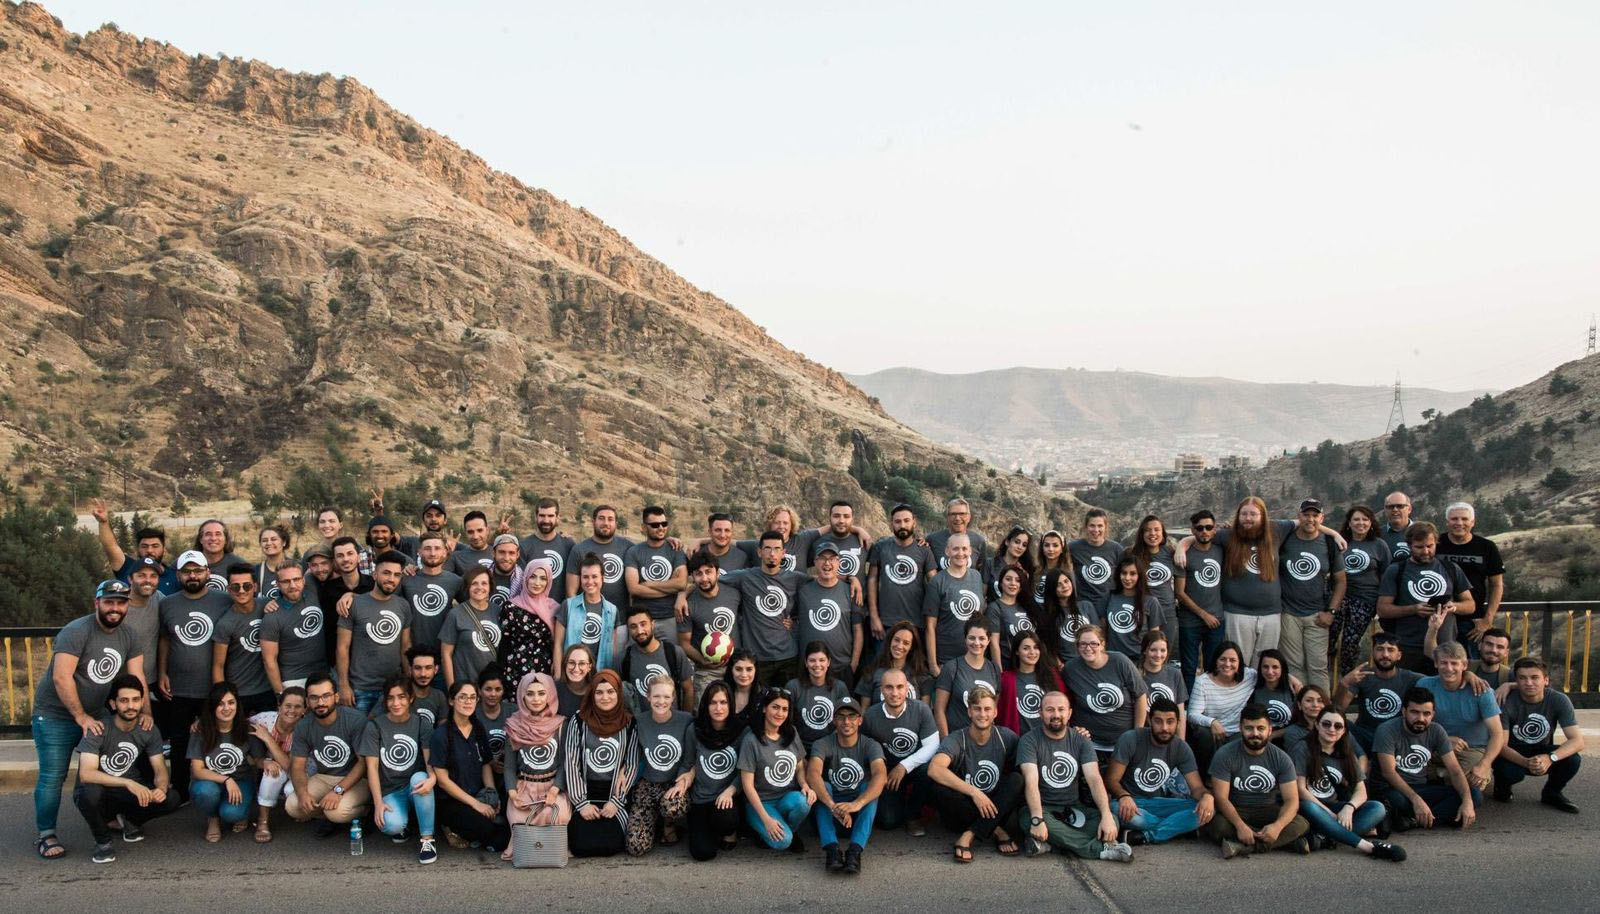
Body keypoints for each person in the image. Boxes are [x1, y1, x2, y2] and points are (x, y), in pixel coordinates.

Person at [33, 579, 149, 860]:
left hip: (95, 713)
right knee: (53, 776)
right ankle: (46, 834)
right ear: (96, 602)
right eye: (109, 602)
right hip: (56, 715)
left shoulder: (129, 635)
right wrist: (80, 716)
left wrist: (145, 712)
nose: (115, 608)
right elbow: (62, 677)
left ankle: (105, 816)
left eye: (121, 603)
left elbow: (137, 678)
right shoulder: (76, 631)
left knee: (105, 770)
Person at [1015, 690, 1133, 862]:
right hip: (1043, 809)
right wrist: (1037, 819)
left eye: (1061, 709)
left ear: (1069, 713)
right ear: (1040, 713)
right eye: (1050, 710)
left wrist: (1106, 815)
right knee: (1029, 821)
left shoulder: (1081, 740)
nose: (1056, 715)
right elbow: (1031, 782)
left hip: (1073, 808)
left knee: (1112, 820)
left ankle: (1050, 844)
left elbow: (1094, 779)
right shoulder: (1029, 741)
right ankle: (1100, 850)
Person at [71, 675, 177, 864]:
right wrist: (128, 783)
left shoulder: (149, 729)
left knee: (171, 798)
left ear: (142, 702)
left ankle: (129, 820)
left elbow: (160, 769)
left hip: (126, 793)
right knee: (88, 793)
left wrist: (160, 789)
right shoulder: (99, 728)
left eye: (136, 700)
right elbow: (86, 774)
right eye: (124, 700)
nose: (131, 706)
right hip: (101, 791)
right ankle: (102, 841)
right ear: (113, 704)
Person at [158, 552, 231, 802]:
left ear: (208, 573)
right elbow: (165, 640)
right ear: (178, 575)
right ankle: (181, 791)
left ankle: (219, 788)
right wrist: (161, 672)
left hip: (214, 689)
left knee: (216, 740)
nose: (193, 576)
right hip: (179, 688)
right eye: (187, 571)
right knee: (179, 742)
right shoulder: (167, 604)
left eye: (198, 571)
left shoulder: (224, 600)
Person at [1291, 708, 1405, 860]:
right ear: (1317, 725)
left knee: (1377, 808)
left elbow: (1361, 791)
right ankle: (1368, 846)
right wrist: (1329, 813)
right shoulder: (1303, 748)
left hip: (1334, 807)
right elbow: (1300, 789)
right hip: (1311, 807)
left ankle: (1326, 837)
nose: (1332, 729)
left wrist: (1349, 808)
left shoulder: (1346, 753)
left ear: (1344, 730)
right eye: (1326, 724)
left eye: (1338, 726)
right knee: (1310, 806)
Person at [927, 688, 1022, 862]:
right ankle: (997, 831)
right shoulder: (957, 739)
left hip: (995, 807)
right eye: (977, 709)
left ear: (995, 712)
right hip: (961, 811)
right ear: (970, 712)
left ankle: (970, 834)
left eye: (987, 709)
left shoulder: (1006, 737)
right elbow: (935, 768)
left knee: (1018, 779)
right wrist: (975, 792)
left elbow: (1028, 761)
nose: (982, 714)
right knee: (939, 786)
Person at [1203, 703, 1309, 857]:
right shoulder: (1225, 754)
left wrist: (1277, 827)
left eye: (1261, 728)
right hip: (1236, 809)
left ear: (1270, 730)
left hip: (1267, 809)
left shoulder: (1282, 758)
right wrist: (1240, 826)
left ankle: (1244, 847)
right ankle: (1287, 842)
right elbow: (1221, 798)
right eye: (1249, 728)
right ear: (1241, 729)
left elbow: (1292, 800)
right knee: (1216, 825)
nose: (1255, 733)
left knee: (1301, 823)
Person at [1105, 697, 1213, 845]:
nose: (1164, 728)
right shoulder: (1130, 739)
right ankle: (1177, 827)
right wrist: (1124, 796)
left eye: (1170, 721)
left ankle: (1147, 836)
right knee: (1133, 817)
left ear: (1178, 723)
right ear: (1149, 721)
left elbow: (1197, 788)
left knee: (1205, 810)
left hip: (1158, 803)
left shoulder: (1181, 747)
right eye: (1158, 721)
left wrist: (1207, 797)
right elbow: (1112, 780)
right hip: (1129, 802)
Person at [1372, 686, 1479, 831]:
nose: (1421, 719)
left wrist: (1467, 802)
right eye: (1415, 712)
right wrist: (1416, 800)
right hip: (1394, 789)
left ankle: (1413, 821)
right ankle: (1435, 817)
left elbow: (1454, 770)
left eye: (1426, 714)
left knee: (1474, 796)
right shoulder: (1387, 730)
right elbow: (1388, 773)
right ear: (1404, 711)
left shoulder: (1437, 730)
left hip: (1422, 787)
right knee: (1398, 801)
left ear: (1433, 714)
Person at [1376, 522, 1474, 673]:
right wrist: (1414, 609)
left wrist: (1453, 606)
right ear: (1409, 546)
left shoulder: (1451, 568)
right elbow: (1383, 609)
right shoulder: (1396, 570)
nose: (1426, 551)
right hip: (1408, 647)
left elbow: (1470, 605)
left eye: (1430, 546)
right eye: (1419, 547)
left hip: (1444, 648)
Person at [361, 674, 438, 863]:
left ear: (411, 699)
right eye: (391, 698)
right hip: (390, 790)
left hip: (414, 785)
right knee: (391, 826)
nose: (396, 703)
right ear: (385, 701)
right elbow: (372, 767)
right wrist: (378, 803)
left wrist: (433, 779)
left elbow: (430, 761)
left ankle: (427, 840)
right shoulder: (375, 726)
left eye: (401, 697)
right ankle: (405, 825)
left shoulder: (421, 723)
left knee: (421, 778)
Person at [564, 670, 641, 856]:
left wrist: (616, 802)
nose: (605, 697)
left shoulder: (629, 723)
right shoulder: (579, 721)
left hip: (614, 794)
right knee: (580, 845)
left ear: (618, 693)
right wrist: (581, 804)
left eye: (611, 691)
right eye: (599, 692)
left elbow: (631, 763)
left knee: (611, 845)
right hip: (585, 792)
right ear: (592, 694)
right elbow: (571, 761)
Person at [429, 680, 510, 853]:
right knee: (495, 836)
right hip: (453, 801)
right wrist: (476, 805)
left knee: (508, 821)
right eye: (463, 697)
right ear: (451, 701)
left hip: (478, 794)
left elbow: (486, 764)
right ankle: (449, 828)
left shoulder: (478, 728)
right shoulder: (441, 735)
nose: (468, 701)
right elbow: (442, 781)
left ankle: (474, 833)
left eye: (472, 697)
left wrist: (491, 794)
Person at [807, 696, 887, 874]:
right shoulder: (822, 743)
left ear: (860, 720)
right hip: (830, 811)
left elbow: (881, 775)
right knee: (822, 787)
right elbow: (812, 773)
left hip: (857, 815)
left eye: (851, 716)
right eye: (841, 716)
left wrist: (856, 804)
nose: (846, 721)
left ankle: (855, 851)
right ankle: (832, 850)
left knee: (870, 789)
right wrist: (833, 806)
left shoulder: (870, 744)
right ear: (834, 720)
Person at [1493, 657, 1584, 813]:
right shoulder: (1506, 701)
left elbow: (1578, 741)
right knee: (1509, 772)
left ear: (1546, 680)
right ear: (1516, 680)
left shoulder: (1559, 700)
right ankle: (1502, 788)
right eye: (1522, 678)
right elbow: (1501, 745)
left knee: (1573, 759)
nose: (1528, 683)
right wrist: (1525, 762)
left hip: (1542, 750)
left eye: (1535, 677)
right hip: (1513, 752)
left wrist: (1550, 758)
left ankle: (1552, 793)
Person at [285, 674, 371, 834]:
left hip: (357, 779)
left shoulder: (355, 720)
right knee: (293, 805)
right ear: (308, 701)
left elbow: (363, 763)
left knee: (338, 812)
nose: (320, 703)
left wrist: (338, 791)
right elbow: (297, 766)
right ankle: (326, 816)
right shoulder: (304, 726)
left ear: (336, 696)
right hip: (324, 777)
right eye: (314, 698)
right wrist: (302, 793)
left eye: (326, 696)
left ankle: (365, 812)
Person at [1418, 640, 1506, 798]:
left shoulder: (1482, 691)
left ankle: (1439, 776)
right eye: (1444, 663)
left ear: (1465, 665)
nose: (1449, 668)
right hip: (1434, 745)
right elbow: (1414, 722)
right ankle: (1443, 778)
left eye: (1454, 663)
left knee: (1473, 785)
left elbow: (1497, 734)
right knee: (1405, 769)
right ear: (1436, 664)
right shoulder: (1425, 685)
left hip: (1471, 750)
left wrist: (1485, 765)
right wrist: (1444, 740)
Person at [724, 531, 810, 686]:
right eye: (767, 548)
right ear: (759, 552)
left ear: (783, 553)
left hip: (787, 657)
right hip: (757, 658)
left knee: (784, 705)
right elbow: (709, 581)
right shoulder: (744, 577)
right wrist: (684, 594)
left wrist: (853, 580)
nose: (772, 553)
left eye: (777, 549)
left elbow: (824, 583)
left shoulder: (795, 578)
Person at [1276, 499, 1345, 691]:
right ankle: (1299, 711)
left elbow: (1341, 581)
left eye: (1315, 515)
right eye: (1306, 515)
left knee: (1318, 667)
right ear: (1299, 517)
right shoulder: (1286, 539)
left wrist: (1331, 611)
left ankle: (1322, 712)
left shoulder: (1329, 544)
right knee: (1293, 666)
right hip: (1288, 613)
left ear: (1322, 518)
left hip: (1317, 615)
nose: (1310, 519)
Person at [861, 668, 940, 835]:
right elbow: (865, 752)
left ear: (907, 688)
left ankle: (913, 816)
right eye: (889, 687)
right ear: (882, 690)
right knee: (888, 822)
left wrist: (904, 766)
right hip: (888, 772)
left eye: (899, 687)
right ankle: (896, 802)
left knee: (930, 770)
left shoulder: (921, 709)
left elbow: (932, 745)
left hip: (915, 768)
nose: (895, 692)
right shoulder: (870, 716)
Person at [738, 687, 816, 851]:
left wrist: (805, 785)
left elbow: (800, 766)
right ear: (765, 708)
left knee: (803, 802)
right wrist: (766, 820)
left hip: (785, 799)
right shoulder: (751, 740)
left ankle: (786, 830)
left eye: (784, 709)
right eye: (775, 707)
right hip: (760, 802)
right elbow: (747, 785)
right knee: (783, 842)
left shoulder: (791, 733)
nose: (780, 713)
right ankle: (765, 830)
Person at [502, 671, 571, 853]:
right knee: (518, 818)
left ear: (550, 694)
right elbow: (509, 767)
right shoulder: (514, 725)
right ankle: (531, 853)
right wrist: (512, 793)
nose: (536, 699)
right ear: (522, 696)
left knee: (556, 814)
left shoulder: (560, 725)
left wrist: (555, 789)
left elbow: (565, 762)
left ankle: (549, 851)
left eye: (541, 693)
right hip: (524, 788)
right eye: (530, 693)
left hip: (552, 787)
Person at [336, 551, 412, 712]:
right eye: (386, 573)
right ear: (374, 574)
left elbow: (405, 646)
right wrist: (343, 685)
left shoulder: (403, 606)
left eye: (397, 575)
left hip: (393, 690)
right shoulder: (354, 604)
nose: (391, 579)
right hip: (360, 689)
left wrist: (409, 681)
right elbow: (342, 648)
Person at [627, 678, 695, 855]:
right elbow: (634, 754)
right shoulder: (639, 721)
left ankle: (670, 824)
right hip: (648, 784)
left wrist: (682, 782)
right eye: (656, 696)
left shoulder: (686, 720)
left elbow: (690, 759)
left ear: (673, 698)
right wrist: (623, 771)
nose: (661, 701)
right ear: (648, 697)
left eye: (666, 696)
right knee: (636, 847)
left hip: (674, 783)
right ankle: (650, 822)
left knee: (672, 806)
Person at [189, 682, 258, 842]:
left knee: (232, 814)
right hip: (210, 782)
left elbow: (259, 759)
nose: (226, 708)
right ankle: (212, 817)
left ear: (237, 705)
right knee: (205, 792)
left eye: (231, 702)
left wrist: (268, 760)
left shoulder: (246, 728)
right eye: (220, 704)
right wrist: (227, 780)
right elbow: (198, 770)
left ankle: (236, 812)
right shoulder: (200, 730)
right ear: (212, 706)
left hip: (241, 780)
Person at [1062, 625, 1147, 755]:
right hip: (1088, 743)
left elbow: (1141, 696)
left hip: (1124, 742)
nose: (1088, 648)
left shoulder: (1120, 661)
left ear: (1102, 644)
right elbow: (1064, 701)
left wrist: (1137, 734)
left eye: (1094, 644)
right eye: (1083, 644)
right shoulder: (1070, 669)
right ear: (1077, 646)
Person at [686, 681, 747, 861]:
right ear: (706, 704)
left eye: (723, 702)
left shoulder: (741, 730)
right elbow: (688, 762)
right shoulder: (694, 729)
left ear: (731, 704)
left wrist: (730, 791)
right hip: (701, 799)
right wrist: (685, 778)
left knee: (726, 819)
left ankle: (730, 831)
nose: (718, 708)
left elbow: (745, 770)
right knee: (703, 853)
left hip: (728, 800)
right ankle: (708, 831)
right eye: (713, 703)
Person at [1335, 631, 1424, 753]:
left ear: (1399, 655)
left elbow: (1436, 683)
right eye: (1380, 649)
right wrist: (1344, 683)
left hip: (1395, 737)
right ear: (1372, 653)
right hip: (1364, 735)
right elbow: (1337, 709)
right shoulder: (1361, 676)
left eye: (1391, 650)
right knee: (1339, 724)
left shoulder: (1410, 678)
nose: (1385, 654)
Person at [1437, 502, 1506, 657]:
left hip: (1473, 622)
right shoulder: (1435, 544)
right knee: (1443, 663)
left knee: (1471, 664)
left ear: (1473, 522)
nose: (1459, 523)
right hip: (1440, 618)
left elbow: (1496, 585)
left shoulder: (1486, 547)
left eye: (1464, 519)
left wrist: (1487, 620)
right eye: (1454, 519)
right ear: (1447, 522)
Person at [867, 504, 939, 650]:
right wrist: (874, 617)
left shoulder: (924, 550)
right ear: (891, 523)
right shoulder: (880, 547)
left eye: (906, 520)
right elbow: (872, 580)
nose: (902, 525)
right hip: (885, 624)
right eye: (897, 521)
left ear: (914, 522)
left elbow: (935, 583)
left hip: (916, 625)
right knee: (884, 670)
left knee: (913, 671)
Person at [1330, 506, 1390, 677]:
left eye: (1365, 519)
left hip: (1365, 600)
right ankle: (1327, 678)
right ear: (1349, 523)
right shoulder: (1339, 543)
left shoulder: (1379, 545)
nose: (1360, 523)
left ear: (1371, 523)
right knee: (1329, 639)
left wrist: (1381, 604)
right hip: (1339, 597)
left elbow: (1386, 575)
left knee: (1350, 642)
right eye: (1356, 519)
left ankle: (1347, 678)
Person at [796, 543, 866, 681]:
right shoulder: (803, 590)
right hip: (810, 668)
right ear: (815, 562)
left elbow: (858, 629)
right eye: (822, 558)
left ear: (838, 562)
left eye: (832, 558)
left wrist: (854, 663)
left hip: (842, 667)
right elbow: (792, 617)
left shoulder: (851, 591)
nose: (827, 563)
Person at [1174, 510, 1226, 692]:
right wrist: (1203, 615)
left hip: (1217, 620)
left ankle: (1209, 705)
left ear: (1214, 529)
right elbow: (1179, 593)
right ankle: (1187, 709)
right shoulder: (1184, 555)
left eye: (1209, 527)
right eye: (1200, 528)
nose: (1204, 531)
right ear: (1193, 530)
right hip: (1190, 622)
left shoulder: (1221, 551)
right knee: (1188, 668)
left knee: (1213, 667)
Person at [677, 549, 741, 695]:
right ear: (692, 576)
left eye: (708, 572)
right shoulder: (686, 605)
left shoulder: (734, 593)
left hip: (736, 667)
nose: (704, 578)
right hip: (707, 672)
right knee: (706, 711)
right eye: (698, 573)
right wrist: (702, 660)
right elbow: (684, 643)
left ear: (717, 573)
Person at [211, 563, 272, 715]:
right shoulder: (225, 623)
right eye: (236, 587)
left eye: (247, 586)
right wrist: (224, 697)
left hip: (268, 689)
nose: (242, 591)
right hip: (239, 692)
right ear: (228, 590)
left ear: (255, 586)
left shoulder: (267, 606)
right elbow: (218, 666)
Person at [246, 686, 305, 843]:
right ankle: (262, 821)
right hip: (277, 764)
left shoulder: (303, 729)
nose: (292, 710)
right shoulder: (266, 719)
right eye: (287, 705)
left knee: (290, 790)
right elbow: (238, 725)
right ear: (279, 706)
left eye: (298, 706)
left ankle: (305, 814)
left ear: (304, 710)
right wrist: (202, 723)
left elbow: (290, 767)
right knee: (271, 774)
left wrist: (268, 739)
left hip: (300, 769)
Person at [1187, 641, 1257, 773]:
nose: (1227, 664)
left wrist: (1292, 679)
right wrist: (1212, 722)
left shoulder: (1249, 676)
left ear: (1239, 663)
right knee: (1203, 735)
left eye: (1233, 660)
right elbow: (1192, 714)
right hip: (1212, 731)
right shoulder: (1203, 682)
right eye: (1223, 659)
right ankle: (1207, 777)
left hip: (1237, 730)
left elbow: (1272, 675)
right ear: (1215, 661)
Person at [259, 562, 326, 694]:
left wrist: (350, 595)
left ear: (304, 579)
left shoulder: (312, 590)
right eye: (286, 581)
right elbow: (269, 660)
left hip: (324, 674)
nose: (292, 585)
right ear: (277, 584)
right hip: (294, 681)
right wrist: (280, 694)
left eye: (296, 579)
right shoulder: (272, 617)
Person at [625, 505, 689, 644]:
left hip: (670, 619)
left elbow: (681, 583)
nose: (660, 528)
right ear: (643, 527)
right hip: (642, 621)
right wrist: (671, 589)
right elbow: (634, 589)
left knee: (671, 660)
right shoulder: (634, 552)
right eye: (655, 525)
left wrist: (651, 584)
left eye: (664, 523)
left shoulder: (676, 549)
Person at [90, 498, 179, 594]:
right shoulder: (126, 568)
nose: (149, 550)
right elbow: (110, 547)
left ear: (164, 550)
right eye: (144, 546)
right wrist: (103, 522)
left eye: (155, 546)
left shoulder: (175, 576)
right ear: (137, 549)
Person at [934, 619, 1003, 737]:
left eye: (981, 638)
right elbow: (939, 709)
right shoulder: (951, 668)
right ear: (965, 639)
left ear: (988, 640)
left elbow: (993, 707)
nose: (976, 643)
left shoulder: (994, 669)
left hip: (985, 739)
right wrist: (946, 742)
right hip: (957, 739)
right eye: (972, 638)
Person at [618, 606, 694, 712]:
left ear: (652, 624)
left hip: (672, 723)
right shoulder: (623, 658)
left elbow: (688, 689)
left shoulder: (674, 652)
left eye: (643, 624)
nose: (640, 631)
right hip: (640, 725)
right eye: (633, 626)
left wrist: (686, 721)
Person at [555, 553, 622, 672]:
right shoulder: (568, 606)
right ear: (580, 579)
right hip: (572, 672)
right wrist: (558, 675)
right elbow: (558, 645)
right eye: (585, 577)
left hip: (599, 674)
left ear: (602, 578)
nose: (590, 581)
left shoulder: (612, 610)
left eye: (594, 576)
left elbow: (614, 651)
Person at [565, 505, 636, 613]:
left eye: (610, 519)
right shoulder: (579, 550)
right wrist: (577, 616)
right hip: (588, 618)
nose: (606, 523)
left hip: (622, 619)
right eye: (601, 518)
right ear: (593, 521)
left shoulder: (628, 547)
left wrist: (667, 540)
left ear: (616, 524)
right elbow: (571, 592)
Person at [399, 532, 462, 653]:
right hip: (413, 653)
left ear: (445, 552)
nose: (432, 553)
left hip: (445, 653)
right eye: (427, 549)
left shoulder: (456, 581)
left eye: (437, 548)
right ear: (419, 551)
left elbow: (472, 607)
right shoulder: (406, 579)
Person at [439, 566, 500, 689]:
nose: (479, 587)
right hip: (465, 685)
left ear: (490, 587)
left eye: (484, 583)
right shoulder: (455, 614)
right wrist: (452, 688)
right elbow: (446, 654)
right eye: (474, 583)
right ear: (468, 587)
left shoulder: (498, 611)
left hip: (492, 686)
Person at [498, 557, 556, 684]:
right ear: (526, 578)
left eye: (543, 578)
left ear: (548, 582)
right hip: (515, 672)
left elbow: (557, 644)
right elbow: (504, 644)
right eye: (533, 576)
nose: (537, 582)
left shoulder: (554, 608)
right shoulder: (511, 607)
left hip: (544, 672)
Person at [1100, 556, 1170, 659]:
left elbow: (1155, 637)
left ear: (1140, 576)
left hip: (1139, 660)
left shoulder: (1151, 602)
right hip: (1113, 659)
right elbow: (1102, 630)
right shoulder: (1109, 597)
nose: (1127, 578)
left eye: (1133, 574)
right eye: (1124, 573)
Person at [789, 642, 854, 748]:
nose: (817, 665)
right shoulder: (793, 686)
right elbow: (787, 724)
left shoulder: (840, 687)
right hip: (800, 746)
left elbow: (845, 721)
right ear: (806, 663)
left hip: (831, 746)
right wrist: (799, 752)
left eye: (822, 660)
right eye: (812, 660)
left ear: (828, 662)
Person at [998, 631, 1064, 735]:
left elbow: (1063, 707)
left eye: (1036, 647)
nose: (1032, 652)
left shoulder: (1052, 676)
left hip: (1049, 740)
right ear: (1016, 651)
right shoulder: (1006, 679)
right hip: (1018, 742)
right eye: (1026, 648)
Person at [855, 621, 933, 705]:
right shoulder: (872, 672)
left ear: (912, 647)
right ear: (890, 640)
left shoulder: (921, 675)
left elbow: (925, 712)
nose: (899, 646)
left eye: (906, 643)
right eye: (896, 640)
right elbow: (864, 711)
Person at [518, 497, 577, 602]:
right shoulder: (524, 546)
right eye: (542, 516)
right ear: (536, 517)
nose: (546, 520)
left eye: (550, 516)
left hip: (561, 612)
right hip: (532, 612)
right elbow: (520, 583)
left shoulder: (568, 544)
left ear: (557, 518)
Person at [1128, 515, 1178, 637]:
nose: (1152, 533)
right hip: (1142, 608)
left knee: (1165, 648)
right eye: (1147, 530)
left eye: (1156, 529)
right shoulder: (1132, 554)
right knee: (1144, 648)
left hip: (1167, 609)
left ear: (1163, 533)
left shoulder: (1170, 552)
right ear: (1142, 534)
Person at [1035, 568, 1099, 658]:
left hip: (1090, 659)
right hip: (1065, 664)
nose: (1064, 586)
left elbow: (1098, 635)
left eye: (1066, 581)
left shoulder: (1086, 606)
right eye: (1058, 585)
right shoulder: (1047, 615)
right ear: (1052, 589)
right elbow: (1047, 645)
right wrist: (1059, 663)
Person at [1069, 509, 1124, 608]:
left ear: (1105, 527)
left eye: (1100, 526)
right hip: (1084, 605)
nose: (1096, 530)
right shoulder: (1073, 548)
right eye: (1092, 526)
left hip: (1109, 605)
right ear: (1086, 527)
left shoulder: (1117, 549)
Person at [1138, 630, 1187, 740]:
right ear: (1145, 651)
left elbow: (1180, 714)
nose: (1158, 655)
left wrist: (1181, 742)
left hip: (1168, 734)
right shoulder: (1135, 674)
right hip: (1145, 735)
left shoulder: (1175, 674)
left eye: (1163, 650)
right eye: (1153, 650)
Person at [927, 498, 990, 582]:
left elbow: (983, 576)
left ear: (969, 517)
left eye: (962, 514)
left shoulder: (979, 541)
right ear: (947, 517)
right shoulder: (932, 539)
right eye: (953, 514)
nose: (957, 518)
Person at [987, 565, 1035, 669]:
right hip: (1009, 666)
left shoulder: (1027, 606)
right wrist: (999, 672)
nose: (1013, 583)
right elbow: (994, 643)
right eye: (1008, 579)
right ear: (1001, 582)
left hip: (1030, 666)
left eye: (1017, 580)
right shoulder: (995, 607)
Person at [1250, 649, 1300, 740]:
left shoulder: (1293, 689)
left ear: (1282, 668)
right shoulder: (1253, 687)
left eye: (1275, 667)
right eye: (1265, 667)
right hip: (1260, 738)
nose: (1270, 672)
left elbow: (1300, 723)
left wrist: (1274, 735)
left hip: (1289, 738)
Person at [474, 665, 512, 769]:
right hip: (479, 769)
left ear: (503, 691)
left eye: (498, 689)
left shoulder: (513, 712)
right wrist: (490, 762)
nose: (493, 694)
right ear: (479, 691)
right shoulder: (472, 714)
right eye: (488, 689)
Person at [193, 519, 246, 590]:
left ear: (226, 540)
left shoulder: (240, 565)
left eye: (218, 534)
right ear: (201, 539)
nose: (213, 538)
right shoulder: (186, 564)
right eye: (208, 534)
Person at [989, 525, 1035, 603]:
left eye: (1024, 545)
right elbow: (983, 592)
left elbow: (1025, 600)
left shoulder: (1025, 571)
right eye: (1017, 542)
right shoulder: (991, 563)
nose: (1020, 547)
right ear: (1007, 542)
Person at [446, 511, 495, 577]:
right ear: (465, 533)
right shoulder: (455, 557)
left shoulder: (500, 554)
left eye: (480, 530)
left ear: (487, 530)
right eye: (470, 532)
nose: (475, 536)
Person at [1282, 684, 1331, 749]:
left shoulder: (1337, 726)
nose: (1315, 705)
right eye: (1309, 700)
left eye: (1320, 701)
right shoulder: (1292, 732)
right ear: (1299, 705)